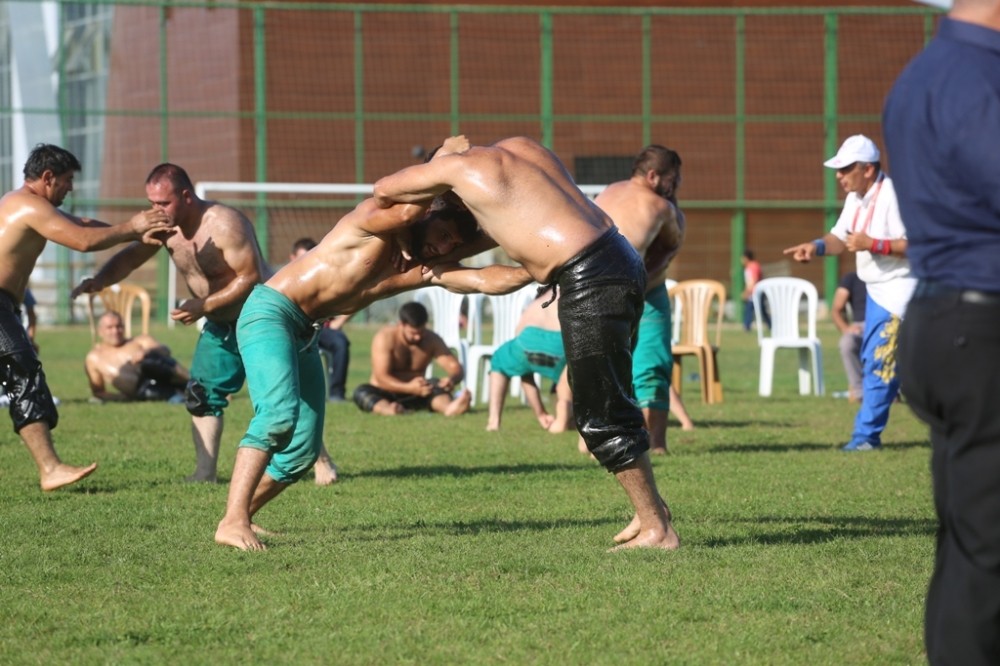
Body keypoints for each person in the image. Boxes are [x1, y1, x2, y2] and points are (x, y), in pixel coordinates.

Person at [214, 136, 530, 550]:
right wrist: (447, 157)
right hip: (271, 312)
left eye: (454, 244)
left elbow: (480, 280)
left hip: (306, 332)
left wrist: (543, 268)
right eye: (445, 234)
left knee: (301, 453)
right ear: (428, 214)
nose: (447, 246)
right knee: (278, 417)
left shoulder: (418, 267)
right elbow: (415, 199)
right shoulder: (371, 220)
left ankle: (239, 518)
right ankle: (233, 522)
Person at [374, 135, 679, 551]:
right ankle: (653, 513)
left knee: (601, 417)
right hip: (621, 258)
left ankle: (657, 531)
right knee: (615, 399)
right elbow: (525, 220)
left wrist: (414, 224)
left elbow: (384, 190)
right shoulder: (522, 147)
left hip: (588, 275)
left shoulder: (457, 170)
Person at [883, 1, 1000, 662]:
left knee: (970, 547)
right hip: (983, 327)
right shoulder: (976, 80)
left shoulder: (928, 72)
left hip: (949, 320)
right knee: (986, 550)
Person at [71, 163, 275, 483]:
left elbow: (250, 278)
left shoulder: (224, 223)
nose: (156, 211)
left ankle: (319, 460)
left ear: (186, 196)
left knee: (280, 398)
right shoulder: (166, 229)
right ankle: (205, 474)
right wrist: (99, 280)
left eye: (163, 203)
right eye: (152, 203)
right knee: (200, 395)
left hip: (261, 321)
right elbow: (130, 257)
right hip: (220, 325)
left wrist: (202, 305)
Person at [0, 143, 173, 490]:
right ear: (47, 178)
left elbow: (81, 224)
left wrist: (133, 230)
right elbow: (81, 240)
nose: (71, 188)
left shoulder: (28, 204)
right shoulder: (27, 205)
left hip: (6, 306)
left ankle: (51, 468)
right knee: (24, 374)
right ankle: (50, 469)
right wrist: (133, 226)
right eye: (66, 180)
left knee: (24, 373)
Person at [783, 134, 916, 452]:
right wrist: (814, 247)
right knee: (881, 360)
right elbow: (839, 238)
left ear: (868, 169)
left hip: (899, 291)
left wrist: (874, 244)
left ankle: (865, 438)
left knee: (879, 362)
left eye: (846, 168)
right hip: (875, 291)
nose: (839, 176)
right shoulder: (856, 198)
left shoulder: (894, 195)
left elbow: (917, 245)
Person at [592, 144, 687, 455]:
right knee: (652, 365)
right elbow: (672, 245)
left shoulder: (606, 192)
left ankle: (590, 442)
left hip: (594, 290)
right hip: (642, 293)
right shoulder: (661, 207)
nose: (676, 186)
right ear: (653, 176)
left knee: (600, 366)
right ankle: (657, 444)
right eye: (673, 179)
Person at [353, 301, 472, 417]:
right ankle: (388, 410)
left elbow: (455, 367)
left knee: (436, 384)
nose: (418, 337)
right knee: (361, 392)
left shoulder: (431, 339)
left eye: (421, 332)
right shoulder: (385, 338)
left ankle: (449, 408)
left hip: (420, 392)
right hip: (385, 393)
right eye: (413, 333)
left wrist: (451, 380)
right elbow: (381, 377)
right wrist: (409, 388)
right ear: (401, 324)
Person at [485, 290, 572, 433]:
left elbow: (524, 372)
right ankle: (564, 407)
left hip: (527, 342)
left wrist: (540, 413)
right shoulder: (576, 287)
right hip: (561, 342)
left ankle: (493, 421)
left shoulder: (538, 301)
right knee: (573, 372)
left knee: (499, 360)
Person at [290, 238, 351, 402]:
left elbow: (353, 299)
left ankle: (336, 394)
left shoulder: (328, 277)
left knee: (340, 341)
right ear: (292, 258)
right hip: (295, 329)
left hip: (322, 328)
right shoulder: (285, 280)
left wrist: (340, 322)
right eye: (301, 257)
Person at [85, 310, 189, 403]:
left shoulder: (140, 341)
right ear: (100, 331)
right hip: (145, 391)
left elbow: (165, 350)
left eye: (119, 326)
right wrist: (122, 398)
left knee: (149, 361)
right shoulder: (94, 358)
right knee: (182, 399)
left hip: (170, 375)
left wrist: (146, 352)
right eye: (110, 327)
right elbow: (98, 392)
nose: (115, 331)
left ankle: (192, 382)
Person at [831, 271, 867, 402]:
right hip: (861, 325)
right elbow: (836, 309)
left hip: (889, 322)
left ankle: (893, 391)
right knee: (847, 343)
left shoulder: (890, 274)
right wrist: (846, 329)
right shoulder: (851, 278)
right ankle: (859, 392)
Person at [740, 250, 770, 331]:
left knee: (750, 309)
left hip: (755, 292)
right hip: (753, 292)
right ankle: (770, 325)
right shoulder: (750, 267)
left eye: (742, 258)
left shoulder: (753, 266)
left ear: (746, 258)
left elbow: (753, 280)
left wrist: (747, 292)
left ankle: (747, 326)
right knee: (758, 309)